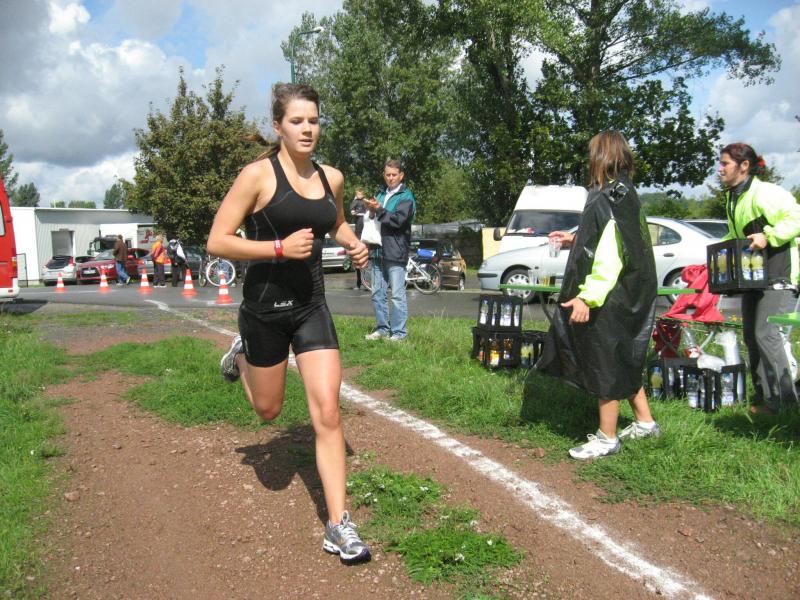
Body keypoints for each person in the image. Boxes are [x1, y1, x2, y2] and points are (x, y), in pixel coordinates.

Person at [207, 83, 371, 564]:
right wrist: (277, 249)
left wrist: (352, 241)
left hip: (311, 305)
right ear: (278, 126)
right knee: (269, 411)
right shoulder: (257, 176)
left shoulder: (331, 177)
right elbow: (217, 240)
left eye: (314, 121)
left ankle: (338, 524)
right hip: (264, 309)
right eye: (297, 121)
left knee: (328, 412)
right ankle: (242, 356)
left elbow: (334, 222)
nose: (307, 129)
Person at [537, 130, 661, 460]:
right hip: (632, 292)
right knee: (623, 357)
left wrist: (587, 297)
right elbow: (611, 237)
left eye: (592, 154)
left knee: (605, 361)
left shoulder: (606, 197)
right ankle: (645, 422)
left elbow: (610, 254)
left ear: (602, 158)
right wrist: (574, 239)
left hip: (611, 293)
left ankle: (607, 438)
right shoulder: (624, 193)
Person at [717, 142, 800, 415]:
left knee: (766, 335)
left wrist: (769, 236)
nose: (720, 169)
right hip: (752, 277)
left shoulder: (766, 193)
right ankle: (767, 399)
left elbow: (796, 218)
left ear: (744, 166)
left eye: (725, 163)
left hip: (779, 276)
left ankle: (786, 405)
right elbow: (736, 236)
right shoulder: (734, 197)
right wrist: (713, 256)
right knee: (752, 337)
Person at [363, 160, 416, 341]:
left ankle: (399, 333)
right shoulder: (380, 193)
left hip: (395, 251)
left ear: (401, 175)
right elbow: (374, 219)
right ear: (383, 175)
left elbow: (398, 221)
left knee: (397, 295)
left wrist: (379, 210)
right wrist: (371, 210)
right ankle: (382, 329)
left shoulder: (406, 197)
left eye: (394, 175)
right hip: (377, 250)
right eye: (388, 174)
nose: (391, 178)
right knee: (377, 293)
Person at [350, 188, 367, 290]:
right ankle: (359, 282)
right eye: (358, 194)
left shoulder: (365, 201)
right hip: (359, 232)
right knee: (358, 260)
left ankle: (365, 282)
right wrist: (356, 212)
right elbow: (352, 212)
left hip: (366, 232)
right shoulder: (355, 202)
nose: (359, 195)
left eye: (361, 194)